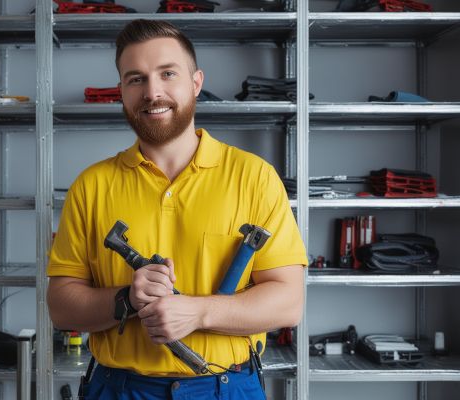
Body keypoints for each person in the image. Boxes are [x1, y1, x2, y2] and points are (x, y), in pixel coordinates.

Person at [47, 19, 308, 400]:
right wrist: (127, 300)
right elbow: (61, 306)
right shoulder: (92, 185)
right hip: (120, 388)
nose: (153, 92)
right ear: (121, 90)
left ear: (196, 82)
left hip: (226, 386)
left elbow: (289, 302)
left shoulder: (253, 177)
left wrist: (199, 312)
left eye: (167, 73)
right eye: (135, 79)